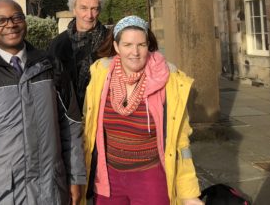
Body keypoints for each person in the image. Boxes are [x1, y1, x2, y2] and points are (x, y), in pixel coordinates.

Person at [0, 0, 86, 204]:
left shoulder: (50, 67)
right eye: (0, 20)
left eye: (16, 17)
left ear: (25, 22)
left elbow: (71, 127)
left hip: (50, 192)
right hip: (0, 196)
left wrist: (76, 177)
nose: (10, 25)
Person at [82, 16, 203, 205]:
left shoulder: (168, 80)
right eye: (128, 44)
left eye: (141, 45)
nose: (135, 52)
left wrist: (189, 194)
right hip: (108, 177)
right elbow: (87, 127)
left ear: (149, 45)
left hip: (150, 177)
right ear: (116, 46)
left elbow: (181, 142)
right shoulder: (101, 75)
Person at [49, 0, 109, 110]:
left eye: (94, 9)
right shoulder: (58, 44)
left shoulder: (110, 41)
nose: (89, 15)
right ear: (74, 10)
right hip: (69, 113)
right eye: (83, 8)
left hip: (103, 111)